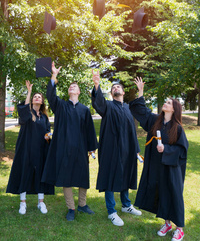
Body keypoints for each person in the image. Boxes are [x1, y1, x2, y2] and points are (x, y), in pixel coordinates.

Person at [129, 77, 188, 241]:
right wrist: (141, 92)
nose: (165, 104)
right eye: (166, 102)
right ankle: (167, 223)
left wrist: (166, 149)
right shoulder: (156, 121)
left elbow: (182, 150)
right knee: (161, 193)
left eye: (169, 103)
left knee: (174, 195)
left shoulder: (178, 128)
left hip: (172, 168)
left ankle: (180, 228)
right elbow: (142, 111)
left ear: (174, 109)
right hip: (156, 166)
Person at [41, 62, 97, 221]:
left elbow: (89, 130)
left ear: (79, 92)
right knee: (66, 178)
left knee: (82, 176)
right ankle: (71, 208)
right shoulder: (61, 106)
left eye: (75, 86)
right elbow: (51, 95)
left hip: (80, 148)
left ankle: (82, 204)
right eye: (70, 86)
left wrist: (91, 147)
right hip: (64, 148)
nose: (72, 87)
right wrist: (53, 76)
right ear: (68, 91)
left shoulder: (84, 110)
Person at [91, 70, 141, 227]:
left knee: (126, 174)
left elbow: (132, 129)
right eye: (113, 88)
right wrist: (97, 85)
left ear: (123, 92)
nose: (115, 89)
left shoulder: (127, 108)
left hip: (127, 149)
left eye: (118, 87)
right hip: (111, 149)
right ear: (111, 93)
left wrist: (136, 149)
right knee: (110, 176)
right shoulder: (107, 106)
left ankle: (126, 205)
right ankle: (111, 211)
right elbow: (97, 103)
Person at [6, 80, 54, 215]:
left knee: (40, 174)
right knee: (24, 173)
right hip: (26, 149)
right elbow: (25, 108)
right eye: (35, 97)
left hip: (40, 150)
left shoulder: (44, 117)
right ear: (32, 101)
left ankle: (41, 202)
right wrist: (29, 91)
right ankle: (23, 203)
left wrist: (48, 136)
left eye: (39, 97)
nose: (37, 98)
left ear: (43, 101)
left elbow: (48, 131)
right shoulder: (28, 113)